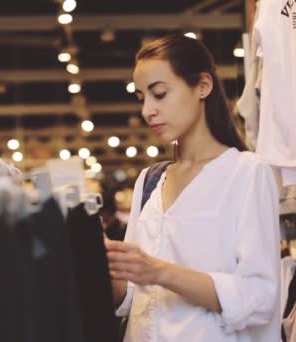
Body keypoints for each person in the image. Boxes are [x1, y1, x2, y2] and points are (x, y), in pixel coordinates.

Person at [104, 34, 281, 341]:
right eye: (141, 98)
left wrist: (160, 271)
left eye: (159, 94)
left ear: (203, 86)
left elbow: (260, 296)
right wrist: (98, 260)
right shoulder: (149, 181)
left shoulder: (247, 173)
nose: (147, 110)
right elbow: (133, 297)